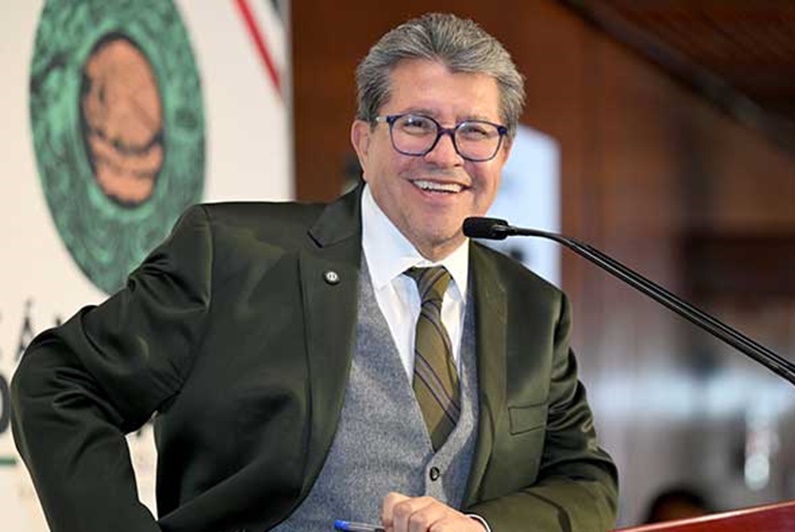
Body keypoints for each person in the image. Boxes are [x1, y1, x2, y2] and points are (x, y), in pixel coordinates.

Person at [11, 12, 618, 532]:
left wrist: (483, 527)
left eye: (475, 132)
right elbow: (60, 381)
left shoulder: (534, 308)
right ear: (363, 140)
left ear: (503, 152)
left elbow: (585, 481)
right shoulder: (232, 254)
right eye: (416, 125)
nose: (445, 154)